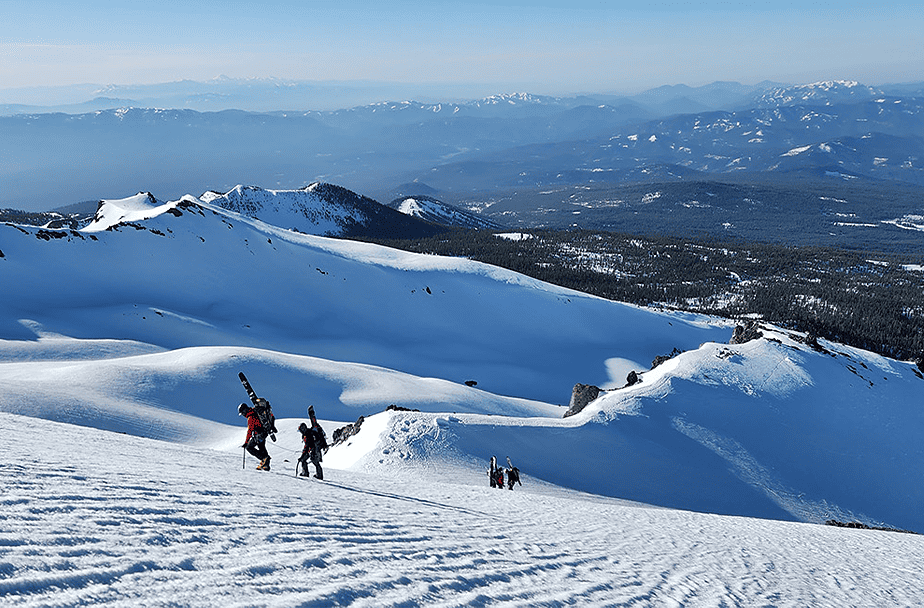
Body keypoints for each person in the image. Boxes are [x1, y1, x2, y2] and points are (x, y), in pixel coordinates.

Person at [239, 403, 271, 471]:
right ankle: (266, 465)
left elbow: (250, 431)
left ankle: (264, 459)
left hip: (258, 434)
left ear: (244, 411)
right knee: (261, 447)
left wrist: (246, 442)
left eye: (242, 413)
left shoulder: (250, 417)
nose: (243, 415)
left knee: (249, 447)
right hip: (263, 433)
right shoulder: (255, 411)